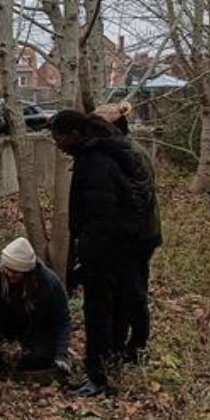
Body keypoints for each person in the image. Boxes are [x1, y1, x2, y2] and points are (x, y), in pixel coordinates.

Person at [48, 110, 162, 397]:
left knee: (99, 311)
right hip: (122, 246)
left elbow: (100, 214)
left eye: (58, 137)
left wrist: (85, 258)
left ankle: (97, 377)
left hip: (106, 251)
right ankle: (114, 359)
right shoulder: (110, 152)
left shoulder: (95, 162)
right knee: (120, 304)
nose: (57, 143)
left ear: (75, 133)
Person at [0, 238, 71, 381]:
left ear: (27, 271)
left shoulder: (49, 282)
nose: (10, 274)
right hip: (5, 319)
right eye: (7, 269)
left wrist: (61, 354)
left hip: (36, 324)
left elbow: (62, 319)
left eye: (16, 272)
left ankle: (30, 355)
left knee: (38, 361)